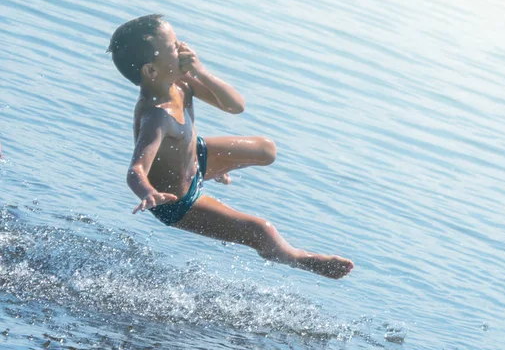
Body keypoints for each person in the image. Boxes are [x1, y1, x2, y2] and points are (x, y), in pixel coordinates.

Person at [107, 14, 354, 279]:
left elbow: (235, 106)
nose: (183, 49)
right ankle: (299, 258)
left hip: (194, 158)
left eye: (178, 41)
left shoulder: (181, 83)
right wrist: (148, 193)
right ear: (151, 70)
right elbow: (136, 169)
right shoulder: (156, 116)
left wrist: (201, 72)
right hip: (179, 201)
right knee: (261, 231)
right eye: (173, 47)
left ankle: (211, 169)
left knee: (266, 149)